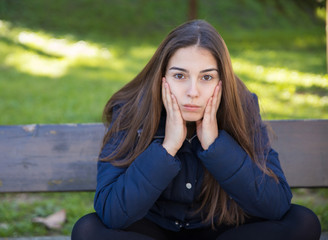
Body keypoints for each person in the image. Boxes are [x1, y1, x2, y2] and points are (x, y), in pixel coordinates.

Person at [71, 20, 321, 240]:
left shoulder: (240, 106)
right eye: (180, 76)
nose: (193, 91)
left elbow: (276, 204)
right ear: (162, 76)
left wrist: (216, 146)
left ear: (222, 80)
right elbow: (112, 213)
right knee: (87, 230)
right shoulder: (131, 110)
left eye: (206, 77)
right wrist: (167, 147)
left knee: (303, 222)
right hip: (153, 228)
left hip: (220, 227)